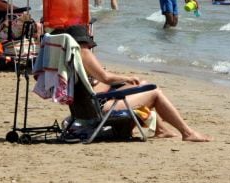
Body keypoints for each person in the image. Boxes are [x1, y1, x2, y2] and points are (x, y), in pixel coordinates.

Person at [61, 25, 211, 142]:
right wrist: (125, 78)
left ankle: (161, 130)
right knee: (154, 92)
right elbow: (105, 78)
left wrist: (119, 80)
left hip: (84, 109)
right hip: (99, 109)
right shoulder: (83, 52)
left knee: (143, 84)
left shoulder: (67, 56)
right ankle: (187, 133)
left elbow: (97, 83)